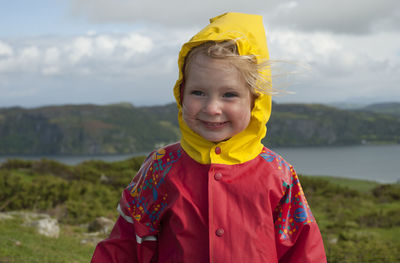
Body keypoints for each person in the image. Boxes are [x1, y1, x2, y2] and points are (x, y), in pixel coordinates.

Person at [92, 12, 326, 262]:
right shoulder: (159, 168)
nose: (212, 108)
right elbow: (126, 245)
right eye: (199, 92)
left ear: (256, 100)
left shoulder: (278, 175)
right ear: (181, 93)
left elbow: (303, 252)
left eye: (229, 95)